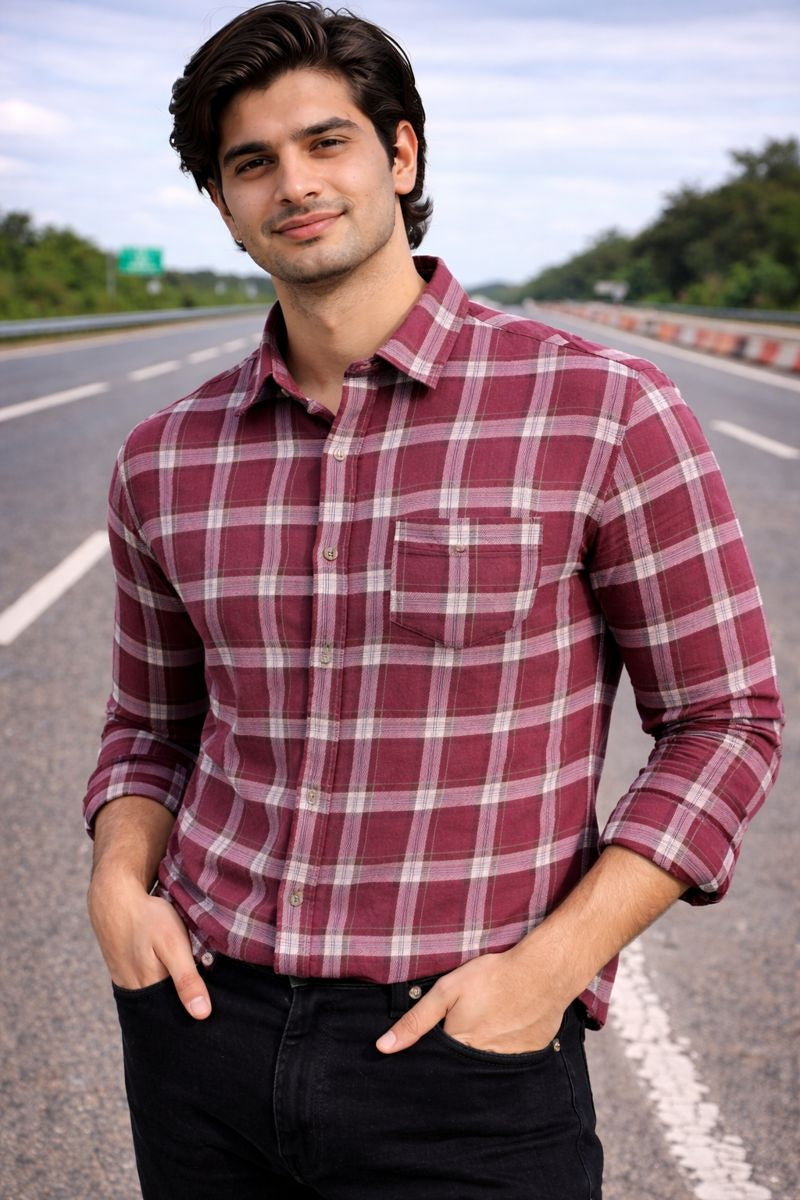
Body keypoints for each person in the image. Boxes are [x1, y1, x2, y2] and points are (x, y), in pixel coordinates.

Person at [83, 3, 782, 1197]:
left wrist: (548, 972)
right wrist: (117, 886)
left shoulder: (600, 410)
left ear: (399, 155)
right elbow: (150, 728)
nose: (295, 184)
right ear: (220, 203)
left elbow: (723, 722)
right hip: (199, 1031)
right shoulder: (164, 458)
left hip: (465, 1052)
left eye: (326, 142)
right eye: (251, 163)